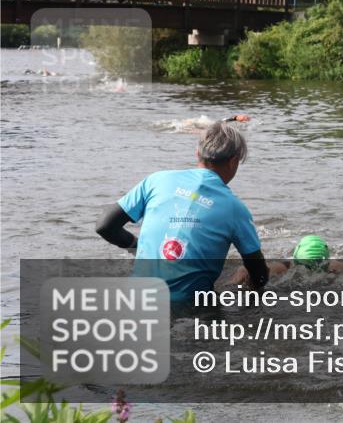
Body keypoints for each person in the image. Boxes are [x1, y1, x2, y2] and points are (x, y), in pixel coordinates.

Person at [95, 121, 268, 303]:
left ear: (197, 153)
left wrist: (135, 246)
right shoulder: (235, 209)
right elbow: (259, 273)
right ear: (234, 162)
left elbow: (105, 226)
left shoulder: (156, 181)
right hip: (190, 309)